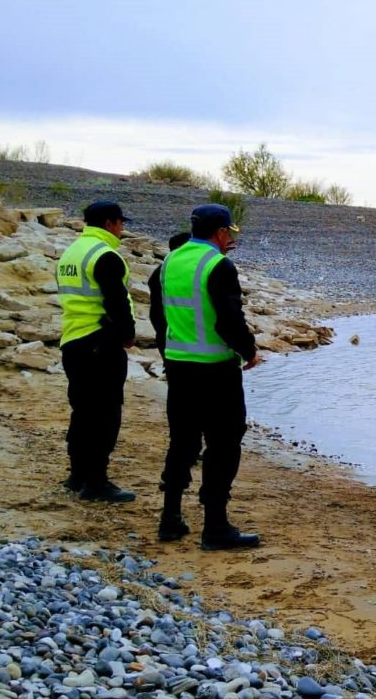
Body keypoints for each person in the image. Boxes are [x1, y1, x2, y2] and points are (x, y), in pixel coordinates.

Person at [153, 205, 261, 550]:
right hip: (215, 369)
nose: (229, 239)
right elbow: (228, 319)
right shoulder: (218, 264)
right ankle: (215, 525)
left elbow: (159, 315)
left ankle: (170, 517)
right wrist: (249, 351)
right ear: (221, 232)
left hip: (179, 364)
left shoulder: (170, 261)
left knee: (182, 441)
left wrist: (167, 354)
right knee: (224, 444)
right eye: (229, 233)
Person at [56, 200, 137, 502]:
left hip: (73, 339)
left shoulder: (71, 252)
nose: (122, 229)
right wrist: (127, 335)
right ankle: (96, 482)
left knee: (82, 411)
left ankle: (77, 475)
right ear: (109, 223)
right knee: (105, 414)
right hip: (100, 343)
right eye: (120, 223)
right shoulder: (105, 255)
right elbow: (117, 301)